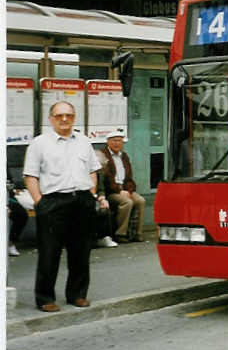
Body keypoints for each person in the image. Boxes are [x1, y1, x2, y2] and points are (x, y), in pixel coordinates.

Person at [23, 101, 108, 312]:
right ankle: (45, 298)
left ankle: (77, 295)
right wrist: (40, 203)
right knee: (49, 253)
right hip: (53, 203)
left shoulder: (84, 142)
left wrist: (91, 193)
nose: (64, 119)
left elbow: (92, 170)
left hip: (81, 201)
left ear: (74, 118)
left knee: (80, 252)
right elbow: (30, 175)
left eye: (69, 115)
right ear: (51, 118)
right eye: (59, 115)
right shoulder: (39, 143)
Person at [99, 129, 145, 243]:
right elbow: (106, 179)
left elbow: (129, 177)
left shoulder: (124, 156)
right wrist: (120, 190)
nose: (117, 143)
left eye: (120, 141)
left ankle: (136, 233)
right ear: (108, 142)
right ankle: (120, 233)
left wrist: (129, 190)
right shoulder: (103, 155)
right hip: (111, 192)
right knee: (127, 202)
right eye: (114, 141)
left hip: (124, 189)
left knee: (140, 200)